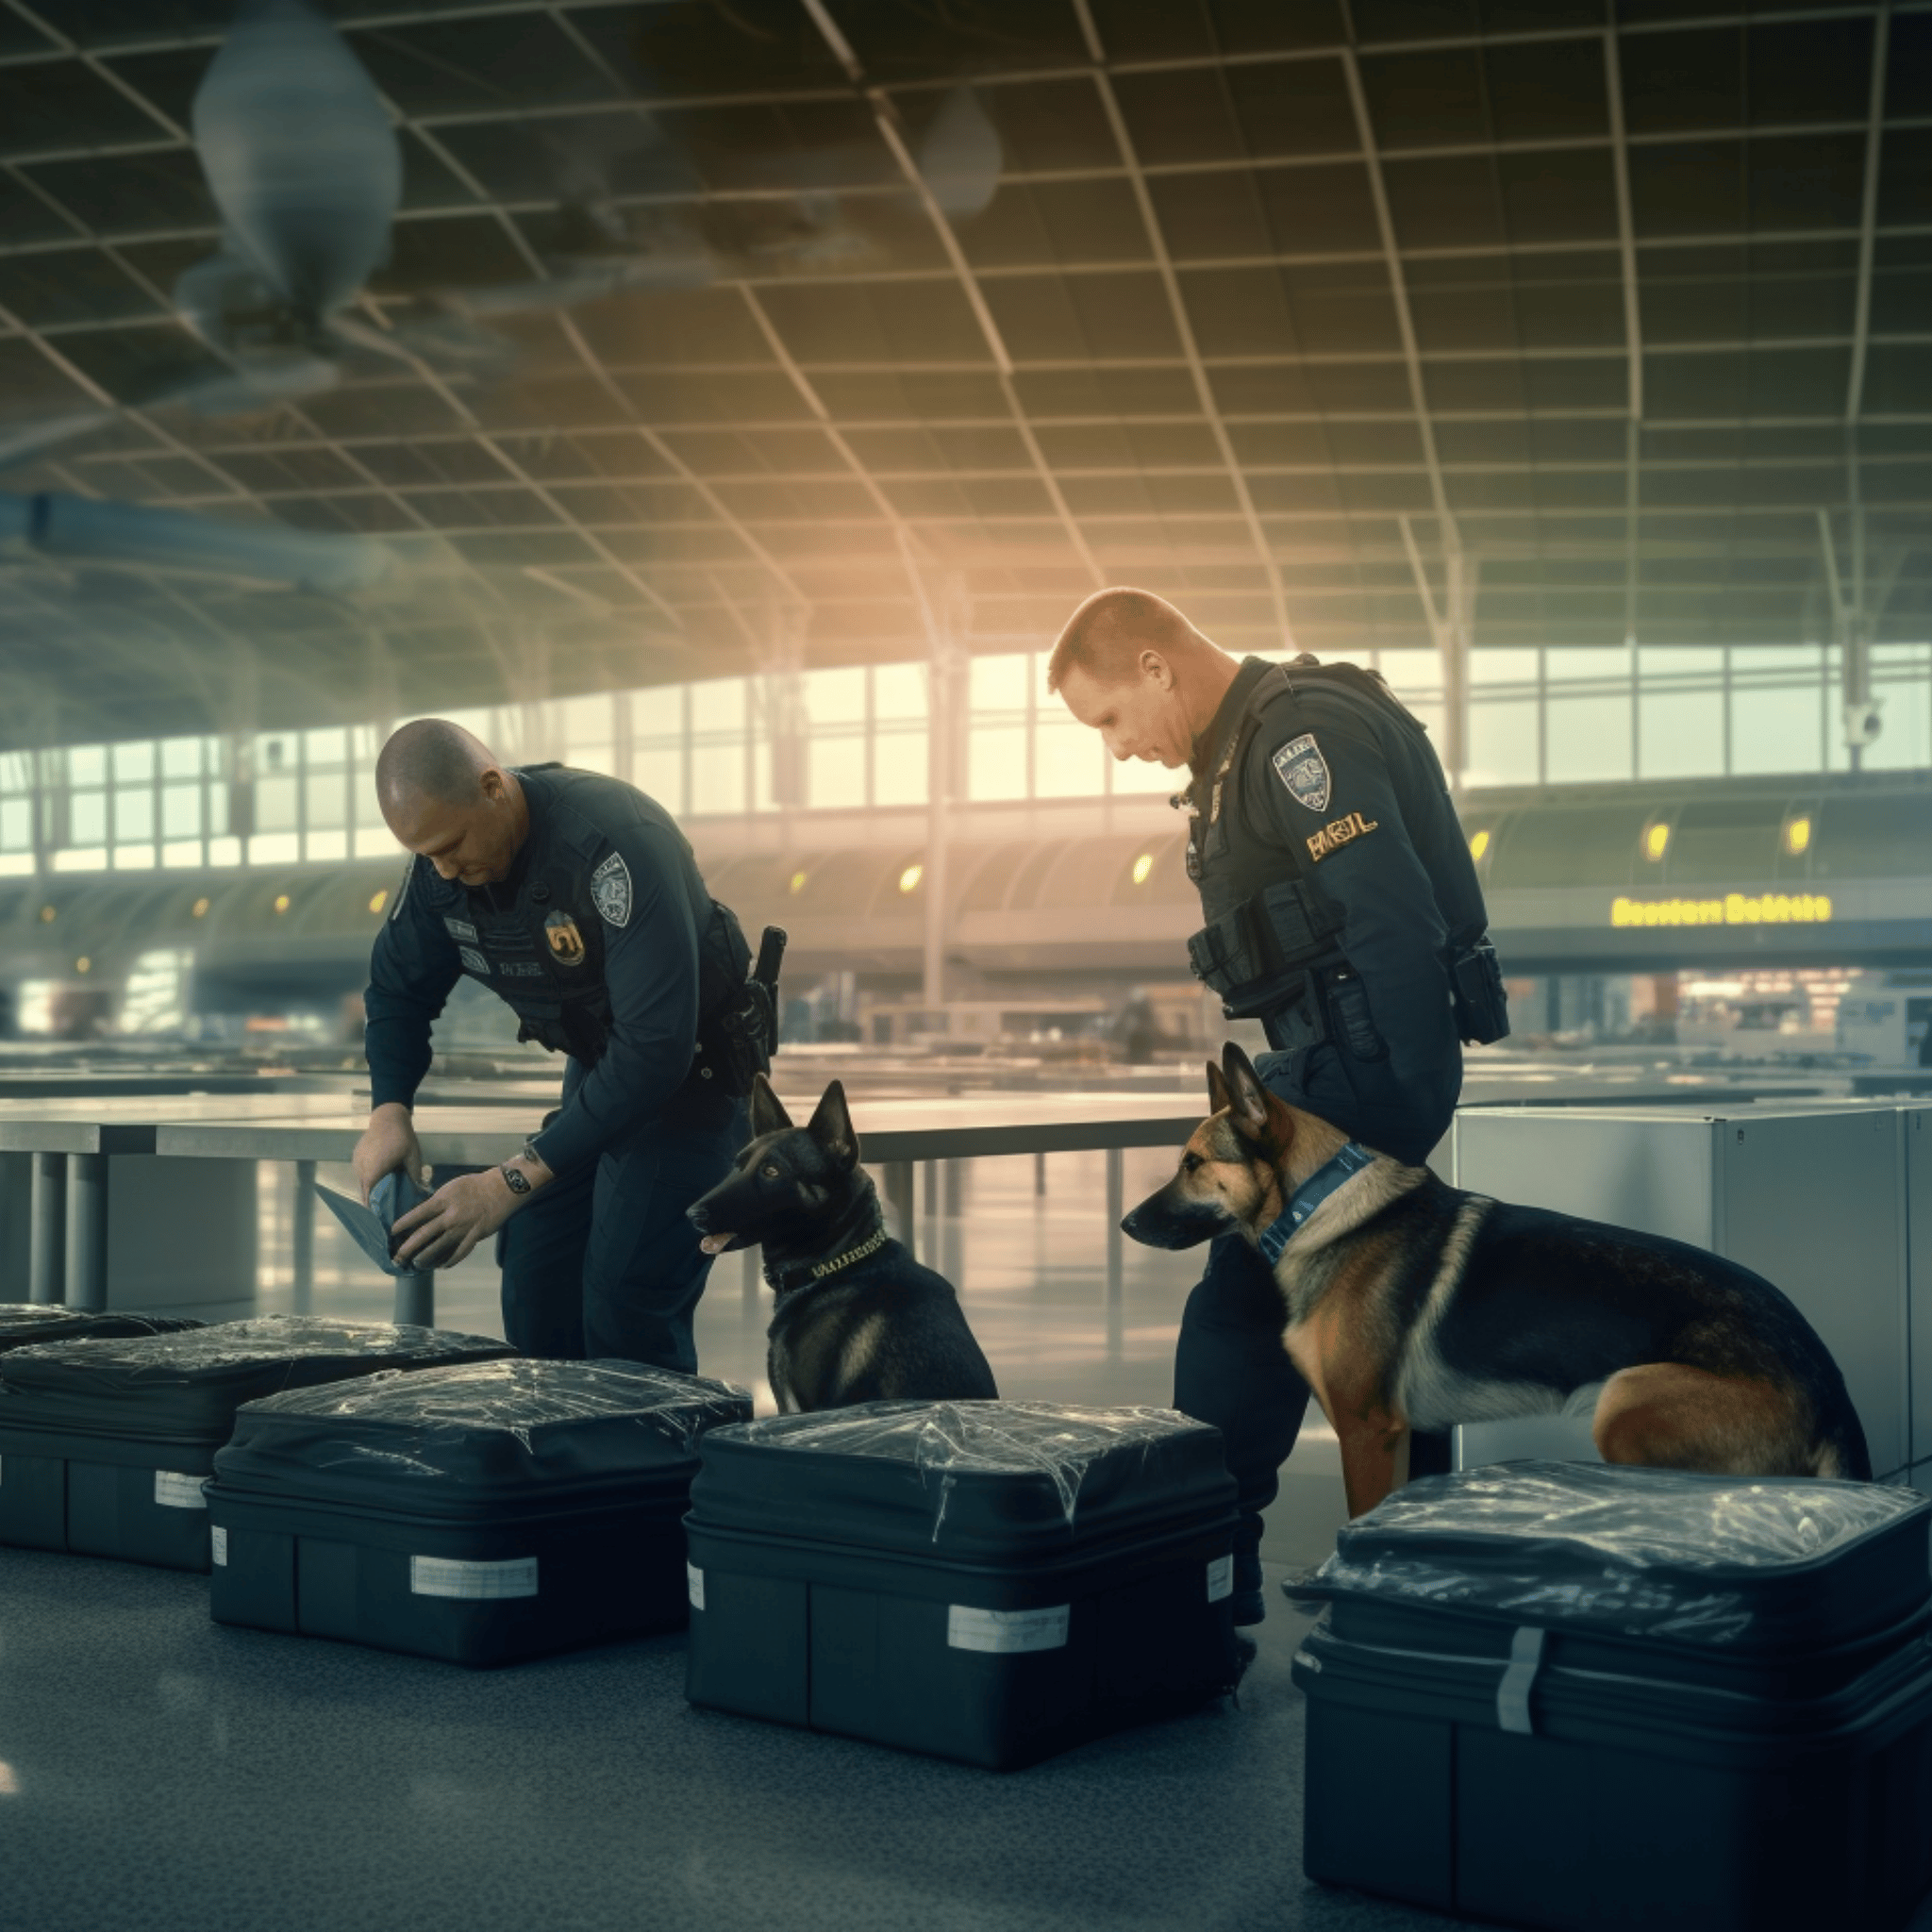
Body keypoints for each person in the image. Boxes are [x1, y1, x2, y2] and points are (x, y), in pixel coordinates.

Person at [1048, 588, 1507, 1626]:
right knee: (1372, 1317)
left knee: (1233, 1299)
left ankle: (1206, 1565)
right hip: (1335, 1063)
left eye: (1110, 719)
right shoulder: (1239, 750)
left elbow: (1387, 914)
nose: (1116, 750)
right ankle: (1390, 1566)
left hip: (1361, 1070)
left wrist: (1374, 1105)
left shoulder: (1298, 733)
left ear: (1156, 666)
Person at [353, 719, 757, 1371]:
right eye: (426, 854)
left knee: (624, 1298)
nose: (445, 870)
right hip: (601, 1073)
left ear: (494, 788)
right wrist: (388, 1111)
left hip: (693, 1082)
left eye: (451, 845)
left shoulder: (615, 845)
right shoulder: (440, 870)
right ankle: (563, 1466)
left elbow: (655, 1048)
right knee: (538, 1270)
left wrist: (506, 1182)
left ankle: (656, 1470)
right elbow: (396, 993)